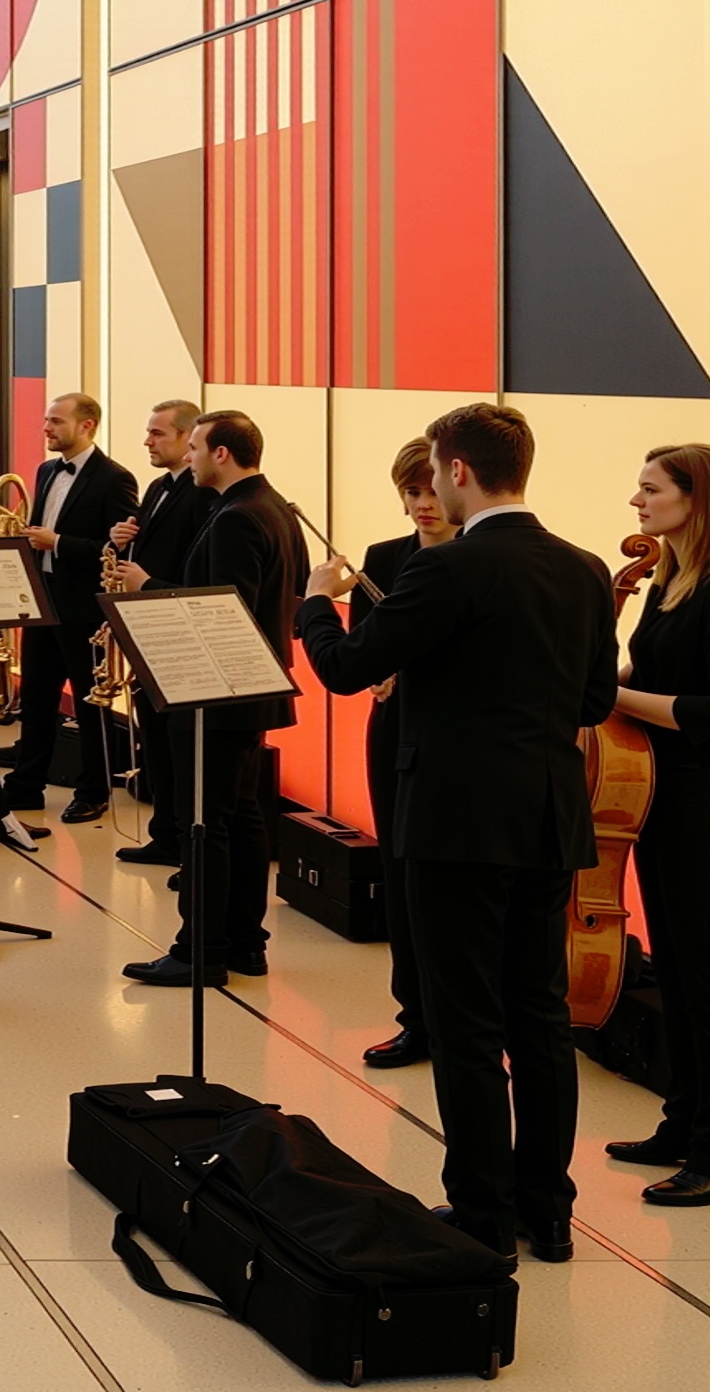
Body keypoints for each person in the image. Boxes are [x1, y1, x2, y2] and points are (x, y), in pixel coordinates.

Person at [294, 403, 613, 1265]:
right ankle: (549, 1212)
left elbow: (348, 667)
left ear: (459, 471)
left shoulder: (448, 571)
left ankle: (481, 1211)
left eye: (434, 472)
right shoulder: (582, 569)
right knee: (539, 1020)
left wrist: (317, 605)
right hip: (547, 817)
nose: (430, 487)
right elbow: (590, 703)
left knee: (466, 1024)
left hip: (453, 822)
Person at [602, 443, 710, 1209]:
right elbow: (654, 677)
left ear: (697, 499)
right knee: (676, 974)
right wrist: (604, 674)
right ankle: (686, 1122)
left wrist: (611, 701)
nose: (636, 504)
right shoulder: (671, 581)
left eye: (650, 490)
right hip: (666, 800)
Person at [112, 410, 305, 985]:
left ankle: (200, 949)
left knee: (206, 825)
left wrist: (145, 586)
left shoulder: (236, 518)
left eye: (195, 446)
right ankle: (246, 942)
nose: (189, 456)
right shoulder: (275, 509)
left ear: (221, 454)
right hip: (252, 689)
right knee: (241, 818)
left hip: (217, 691)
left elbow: (221, 614)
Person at [308, 437, 452, 1070]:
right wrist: (378, 675)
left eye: (429, 491)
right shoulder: (384, 560)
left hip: (452, 736)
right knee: (397, 871)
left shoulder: (481, 560)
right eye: (410, 492)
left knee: (446, 881)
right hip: (393, 731)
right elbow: (364, 651)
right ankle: (414, 1016)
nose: (422, 504)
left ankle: (458, 1017)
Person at [2, 394, 139, 825]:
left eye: (56, 421)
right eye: (45, 420)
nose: (46, 428)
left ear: (87, 426)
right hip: (42, 603)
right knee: (37, 699)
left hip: (83, 610)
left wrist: (56, 542)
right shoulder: (46, 470)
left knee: (89, 704)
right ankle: (27, 785)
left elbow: (117, 550)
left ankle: (94, 790)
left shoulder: (115, 478)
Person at [108, 400, 213, 864]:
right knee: (155, 740)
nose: (148, 441)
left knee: (178, 747)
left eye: (158, 434)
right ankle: (164, 833)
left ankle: (184, 842)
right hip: (148, 628)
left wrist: (146, 581)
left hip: (180, 631)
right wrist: (122, 540)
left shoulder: (203, 494)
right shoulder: (155, 487)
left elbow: (192, 563)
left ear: (188, 441)